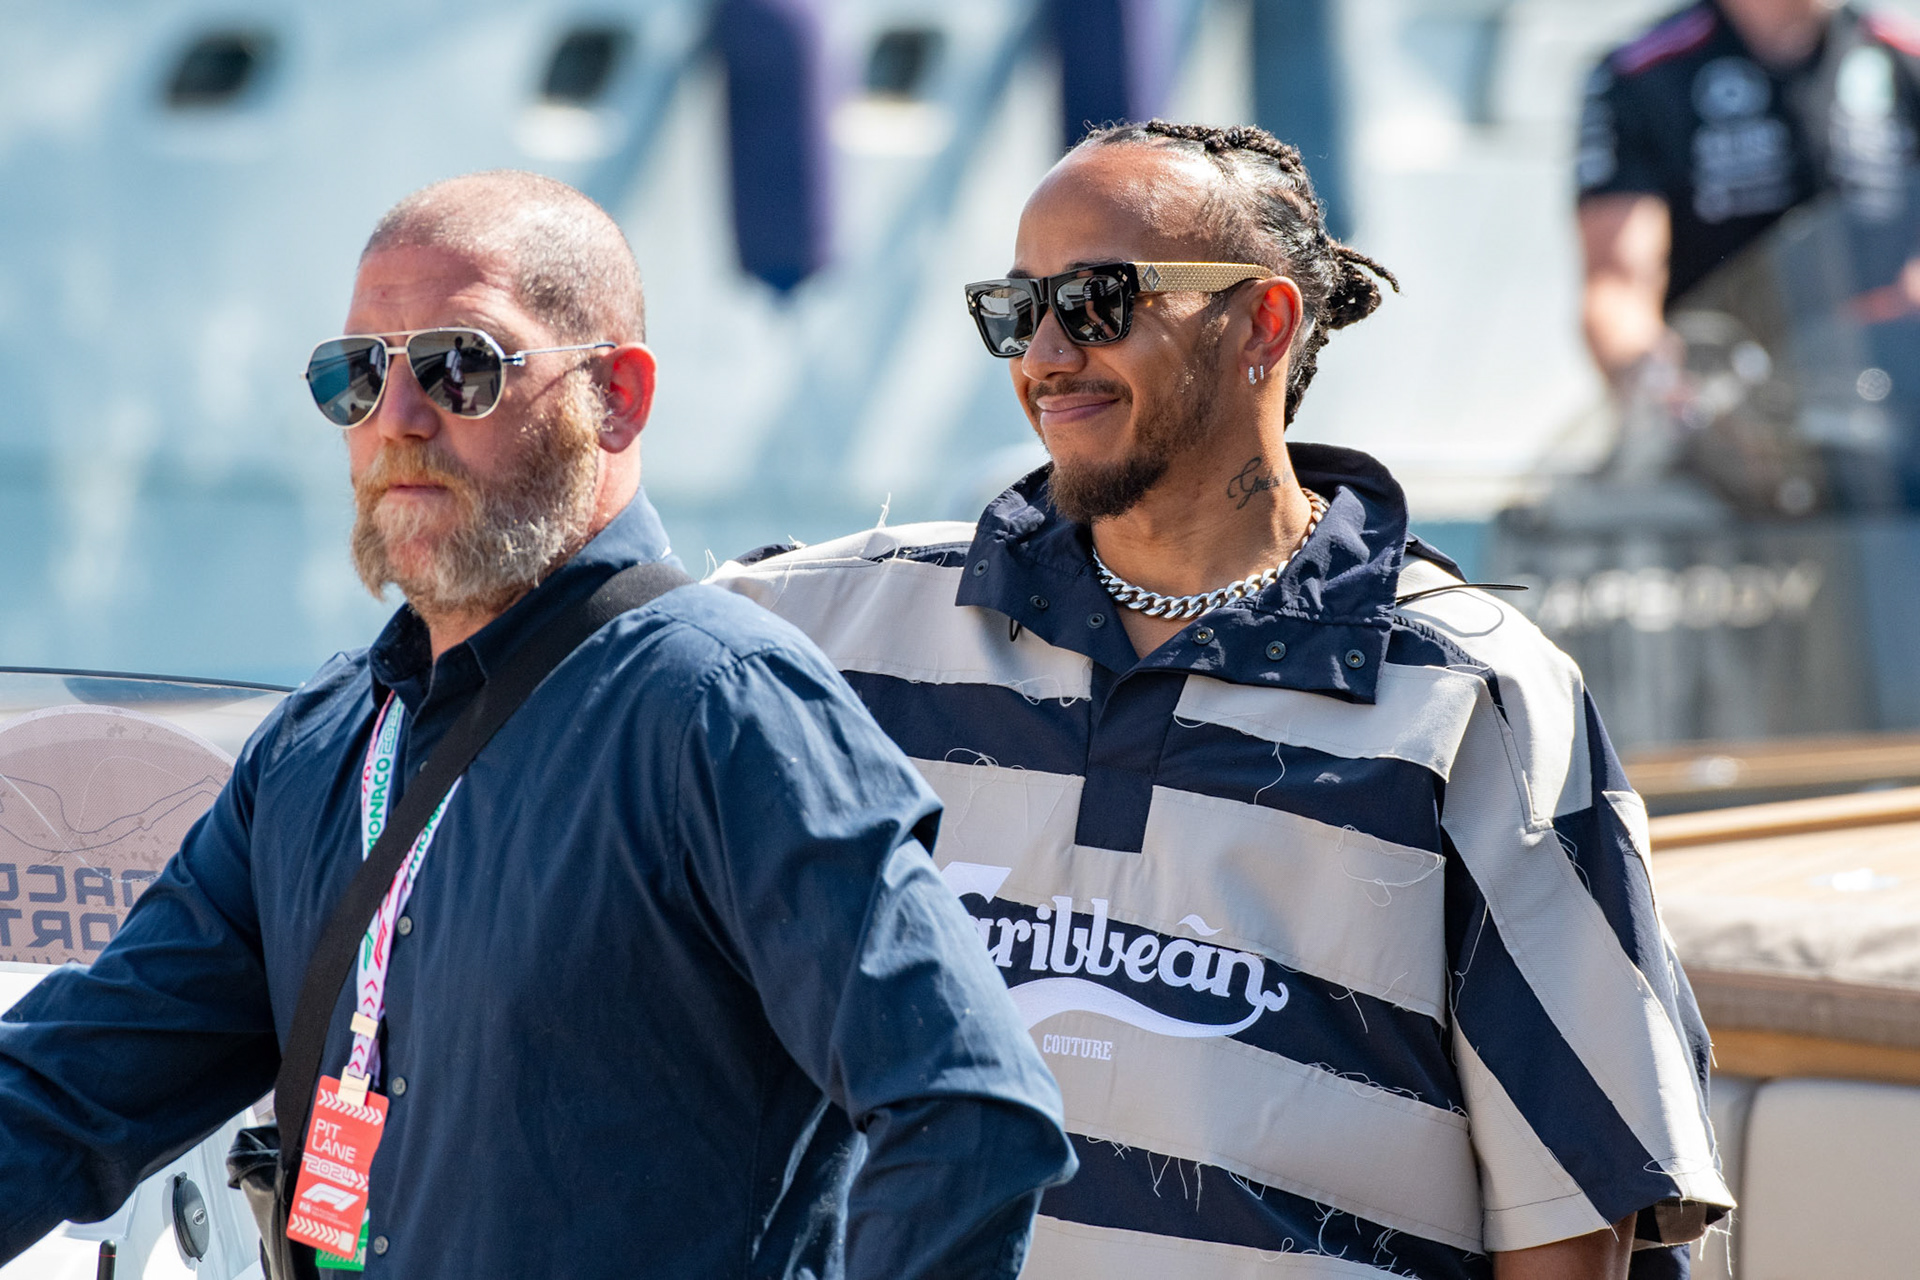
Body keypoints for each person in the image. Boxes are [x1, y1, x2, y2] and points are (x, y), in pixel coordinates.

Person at [0, 171, 1075, 1278]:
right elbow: (68, 1086)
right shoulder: (320, 742)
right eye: (355, 375)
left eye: (461, 365)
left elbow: (970, 1114)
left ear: (616, 395)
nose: (399, 419)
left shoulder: (721, 707)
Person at [714, 121, 1733, 1279]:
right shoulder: (823, 630)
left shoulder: (1469, 694)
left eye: (1097, 300)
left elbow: (1570, 1214)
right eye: (1016, 307)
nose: (1046, 351)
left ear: (1263, 322)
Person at [1577, 0, 1920, 385]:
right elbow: (1618, 289)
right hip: (1730, 403)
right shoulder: (1643, 76)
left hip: (1891, 397)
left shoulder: (1904, 59)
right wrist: (1654, 381)